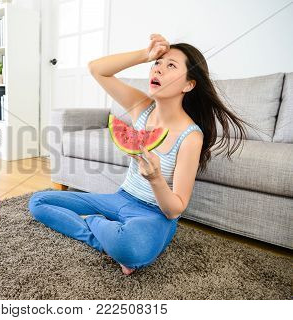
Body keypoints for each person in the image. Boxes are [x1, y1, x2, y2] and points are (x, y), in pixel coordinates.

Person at [29, 34, 257, 275]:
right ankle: (103, 236)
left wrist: (156, 179)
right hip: (120, 198)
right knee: (38, 202)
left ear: (188, 85)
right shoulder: (142, 107)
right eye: (157, 63)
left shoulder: (191, 137)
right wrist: (144, 55)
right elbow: (97, 69)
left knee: (132, 249)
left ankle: (97, 224)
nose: (158, 70)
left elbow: (175, 209)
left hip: (154, 215)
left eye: (171, 66)